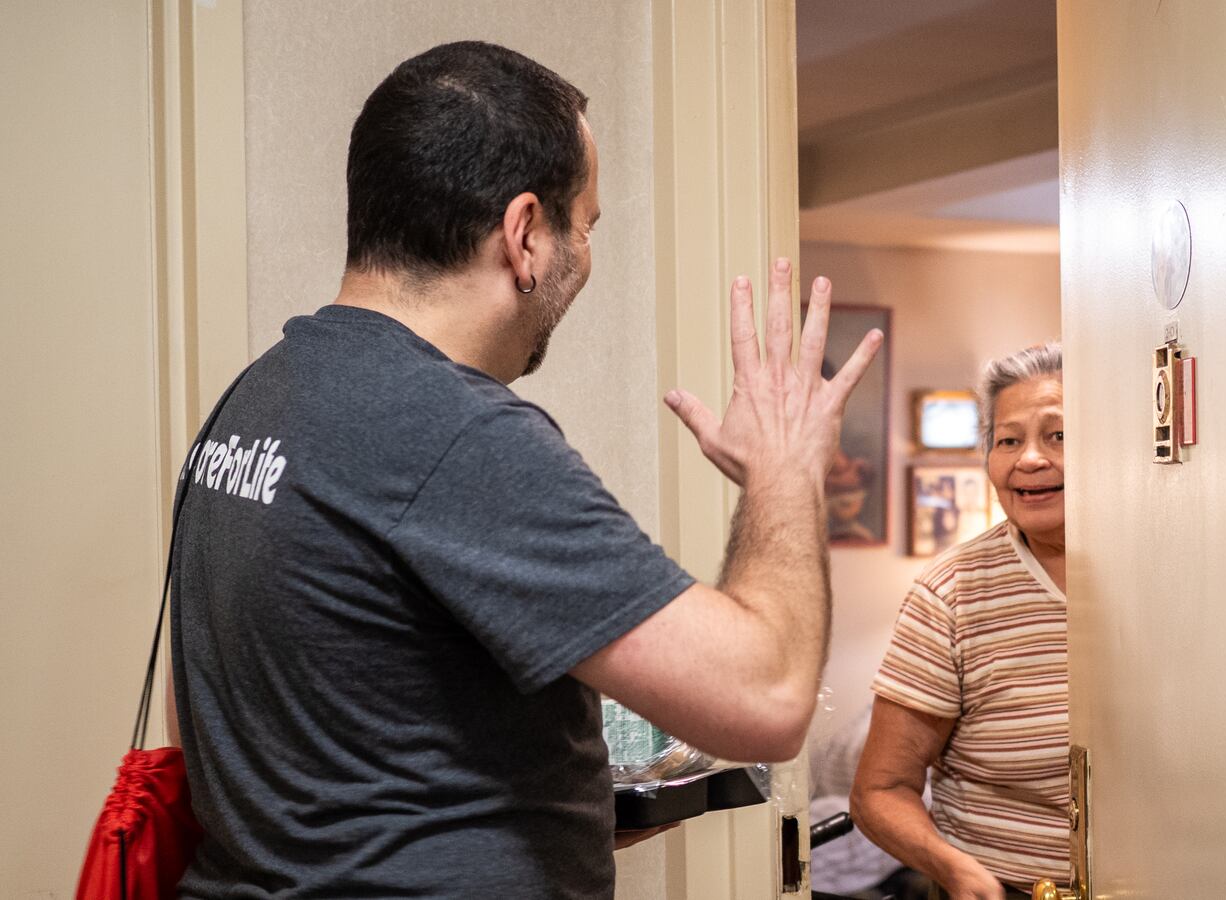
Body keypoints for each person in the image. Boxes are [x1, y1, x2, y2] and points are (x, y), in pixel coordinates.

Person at [164, 41, 880, 898]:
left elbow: (234, 726)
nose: (585, 251)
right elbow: (767, 699)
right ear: (525, 234)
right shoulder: (454, 432)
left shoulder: (258, 398)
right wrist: (785, 471)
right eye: (587, 223)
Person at [851, 344, 1069, 900]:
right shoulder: (950, 594)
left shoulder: (1174, 575)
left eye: (1058, 435)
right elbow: (881, 790)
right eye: (1008, 440)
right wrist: (952, 868)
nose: (1030, 460)